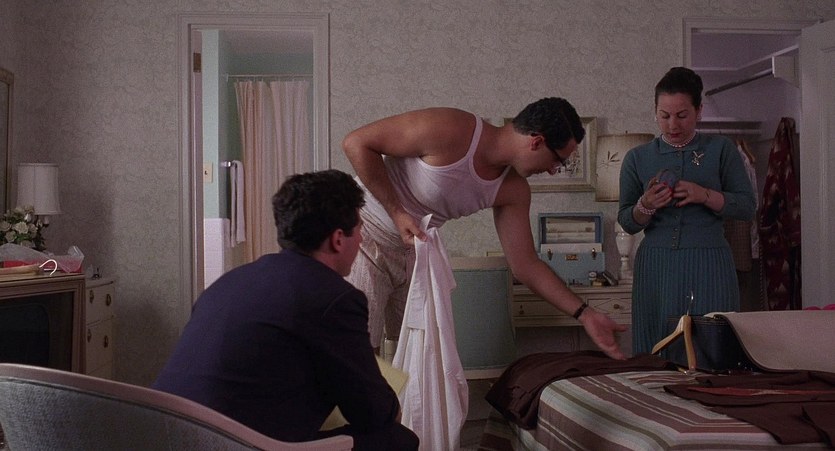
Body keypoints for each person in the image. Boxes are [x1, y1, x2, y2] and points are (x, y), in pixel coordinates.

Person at [152, 170, 419, 450]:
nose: (361, 240)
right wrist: (390, 406)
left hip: (161, 435)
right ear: (338, 239)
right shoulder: (334, 297)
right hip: (232, 443)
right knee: (398, 440)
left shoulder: (229, 282)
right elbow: (372, 411)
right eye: (360, 229)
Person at [342, 98, 627, 361]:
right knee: (358, 353)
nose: (554, 170)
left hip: (415, 253)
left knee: (420, 362)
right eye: (558, 161)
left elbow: (526, 266)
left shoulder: (513, 190)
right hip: (365, 235)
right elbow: (357, 143)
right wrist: (397, 211)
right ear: (537, 142)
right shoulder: (452, 128)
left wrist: (585, 314)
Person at [617, 67, 756, 355]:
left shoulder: (721, 149)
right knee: (657, 350)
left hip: (710, 263)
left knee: (713, 350)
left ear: (699, 110)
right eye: (664, 115)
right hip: (656, 267)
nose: (672, 125)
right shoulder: (637, 158)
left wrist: (703, 195)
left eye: (682, 115)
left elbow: (746, 207)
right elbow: (628, 222)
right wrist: (646, 205)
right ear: (655, 111)